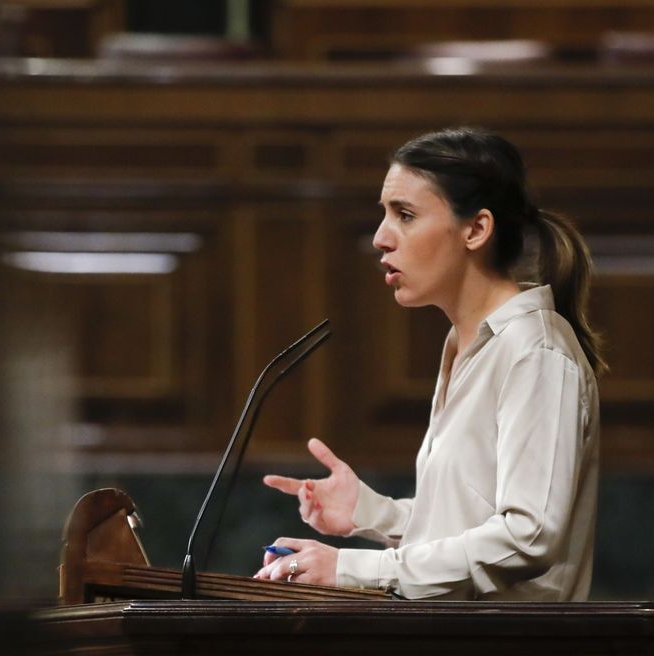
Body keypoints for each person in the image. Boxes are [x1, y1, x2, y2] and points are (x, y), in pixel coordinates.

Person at [252, 127, 605, 600]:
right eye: (385, 215)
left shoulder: (534, 353)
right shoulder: (467, 344)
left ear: (476, 229)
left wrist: (351, 569)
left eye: (405, 215)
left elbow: (529, 537)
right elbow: (470, 526)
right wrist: (372, 514)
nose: (380, 238)